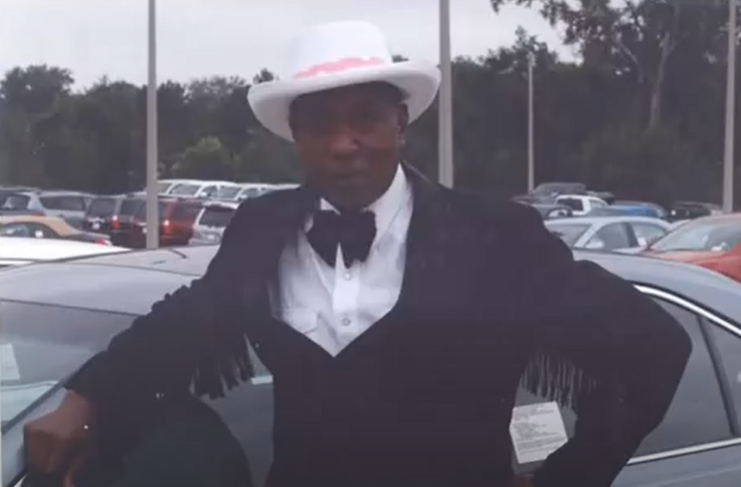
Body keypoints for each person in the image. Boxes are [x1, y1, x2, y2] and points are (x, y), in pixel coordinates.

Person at [24, 20, 692, 487]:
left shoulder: (495, 236)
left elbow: (655, 348)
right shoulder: (262, 228)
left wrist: (568, 478)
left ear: (401, 124)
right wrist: (86, 395)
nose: (344, 143)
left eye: (365, 119)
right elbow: (187, 321)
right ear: (296, 136)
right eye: (321, 124)